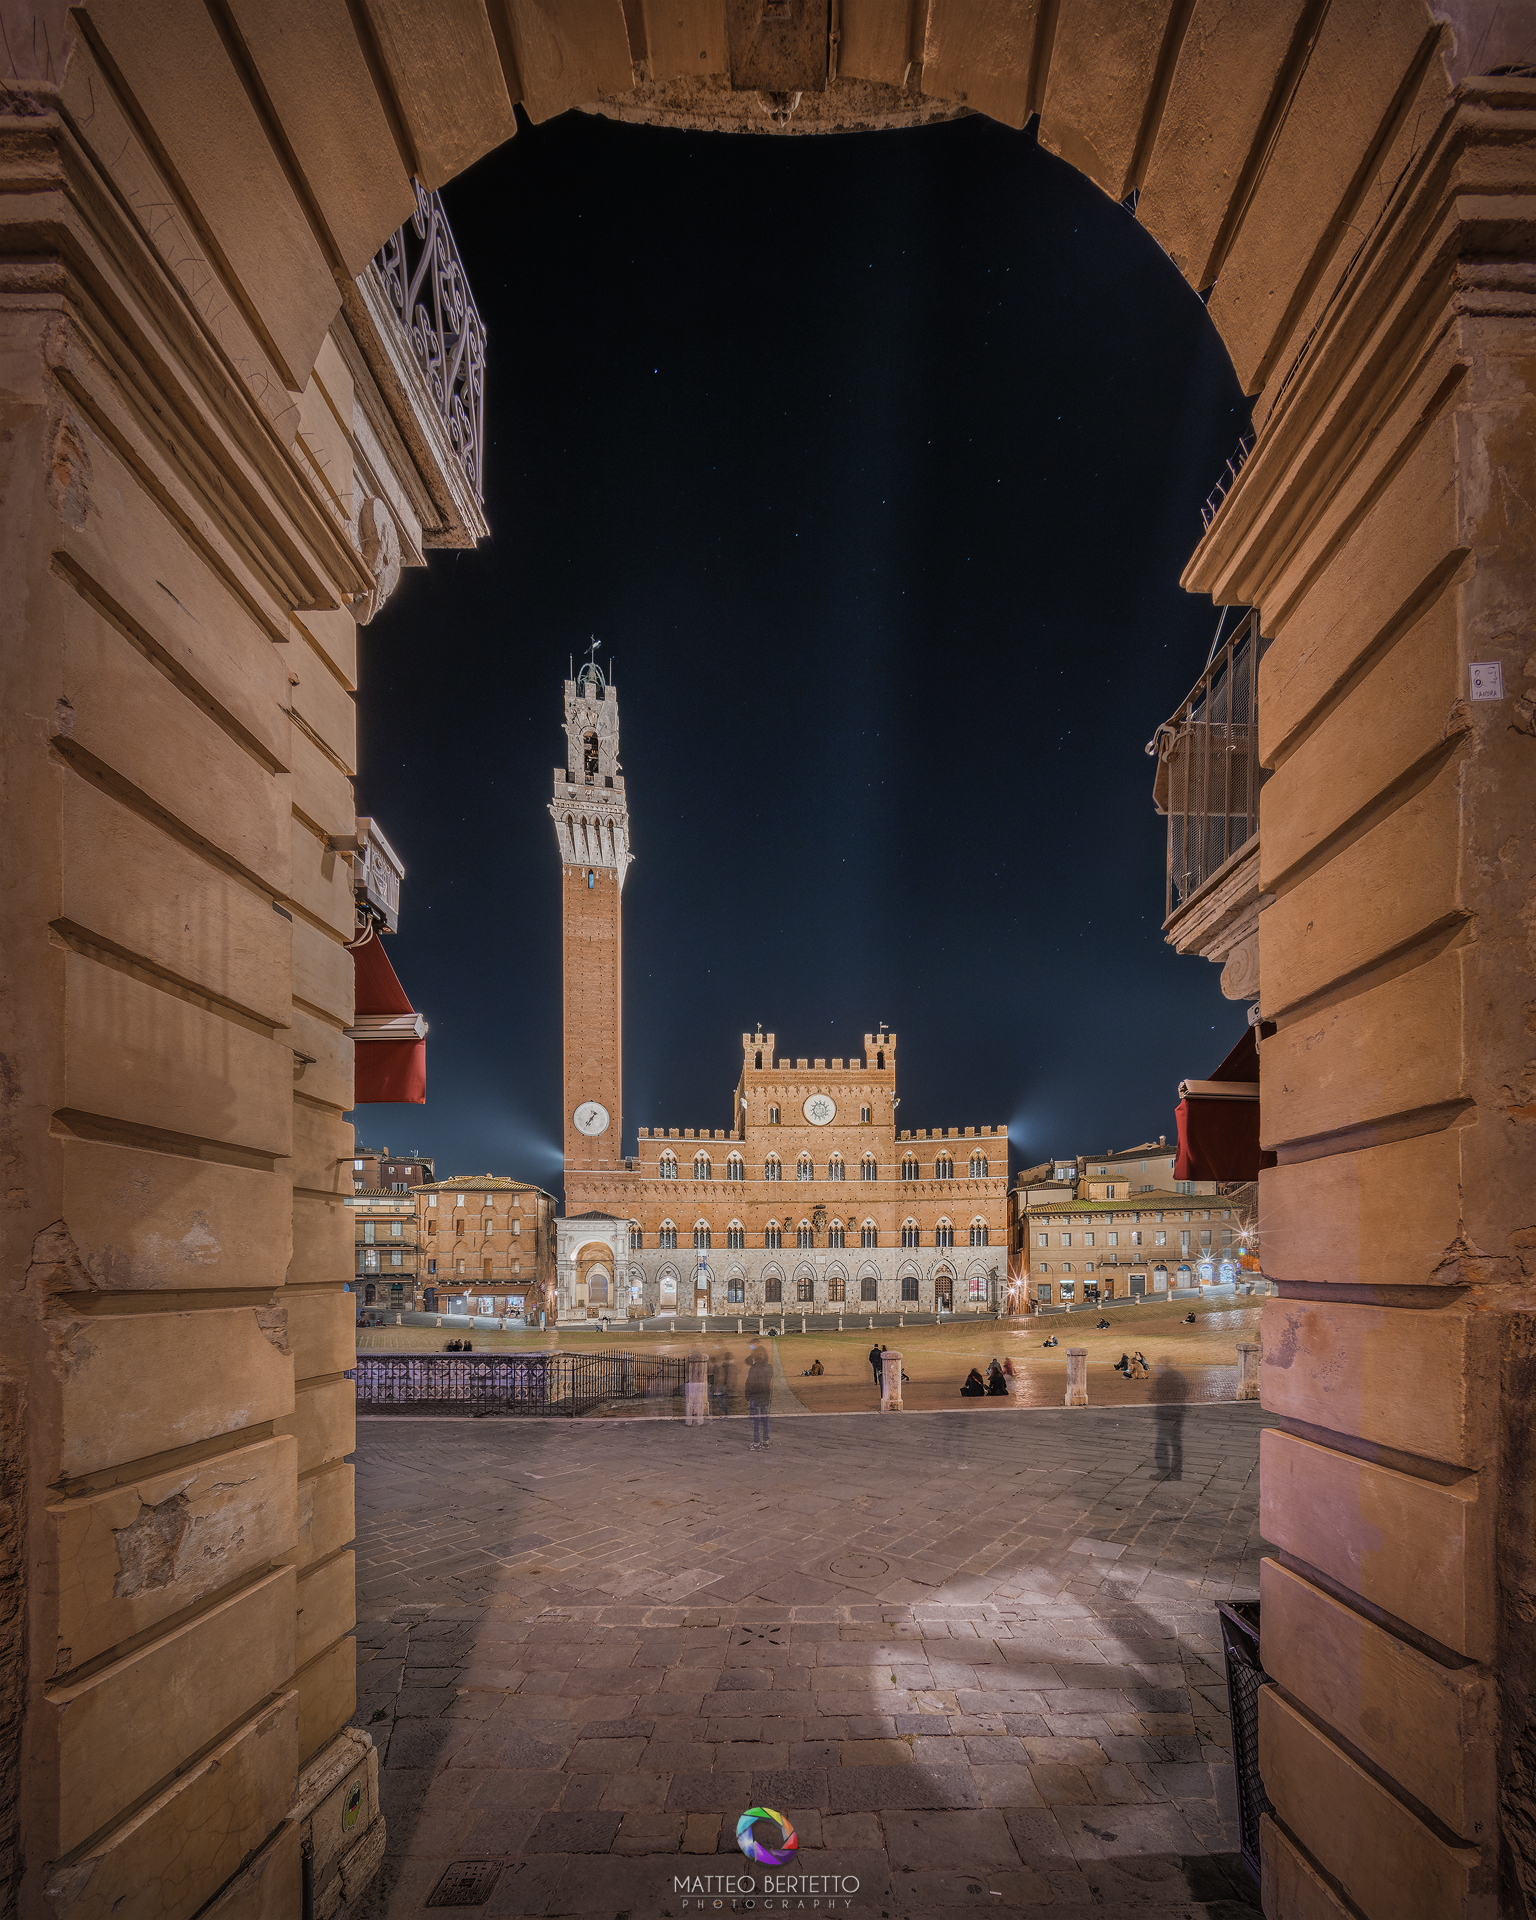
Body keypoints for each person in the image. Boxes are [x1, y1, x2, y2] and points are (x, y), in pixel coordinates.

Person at [746, 1342, 773, 1449]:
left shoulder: (753, 1369)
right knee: (765, 1419)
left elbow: (749, 1384)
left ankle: (756, 1443)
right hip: (765, 1396)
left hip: (755, 1396)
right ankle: (766, 1441)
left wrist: (747, 1396)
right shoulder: (769, 1368)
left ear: (755, 1357)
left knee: (756, 1421)